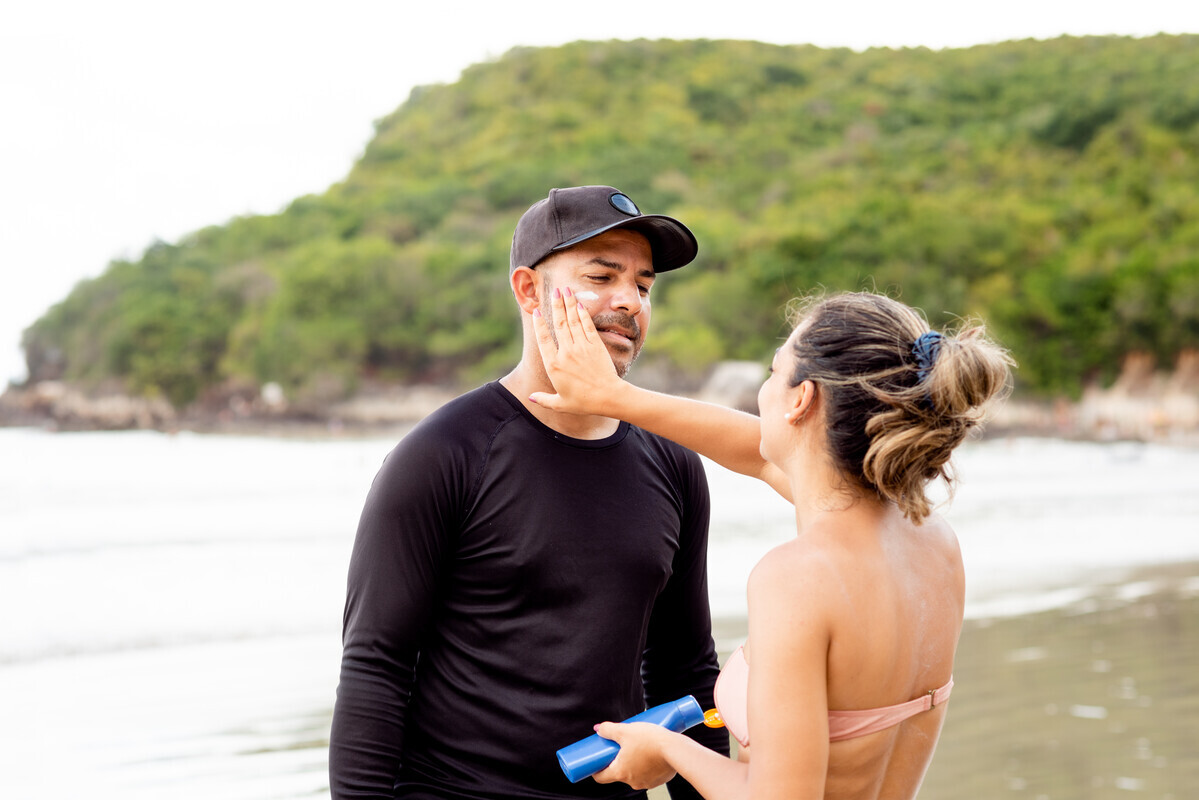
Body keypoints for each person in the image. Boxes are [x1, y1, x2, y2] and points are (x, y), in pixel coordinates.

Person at [529, 289, 1014, 800]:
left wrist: (665, 750)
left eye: (773, 372)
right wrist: (613, 398)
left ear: (802, 398)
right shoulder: (934, 544)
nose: (763, 392)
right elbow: (759, 456)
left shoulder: (798, 578)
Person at [329, 185, 729, 800]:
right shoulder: (443, 455)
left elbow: (687, 669)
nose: (629, 302)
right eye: (601, 276)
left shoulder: (673, 461)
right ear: (526, 290)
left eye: (644, 287)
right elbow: (375, 667)